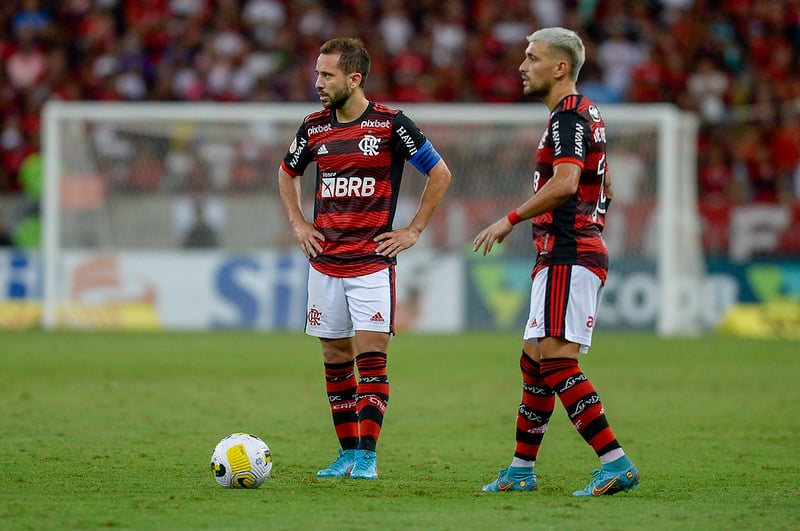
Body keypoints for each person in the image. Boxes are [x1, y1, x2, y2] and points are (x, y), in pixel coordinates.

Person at [473, 27, 639, 497]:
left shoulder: (567, 118)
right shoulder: (586, 112)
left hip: (569, 249)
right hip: (563, 252)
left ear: (560, 67)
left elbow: (566, 182)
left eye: (532, 58)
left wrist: (510, 218)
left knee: (557, 359)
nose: (522, 66)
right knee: (534, 361)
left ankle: (615, 461)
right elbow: (597, 177)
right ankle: (522, 470)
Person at [278, 37, 452, 480]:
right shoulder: (314, 127)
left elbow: (440, 172)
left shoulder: (392, 125)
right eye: (317, 73)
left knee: (372, 357)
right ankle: (347, 453)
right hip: (325, 261)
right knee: (336, 358)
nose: (317, 82)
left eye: (327, 75)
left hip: (372, 262)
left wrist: (413, 230)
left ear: (354, 79)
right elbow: (287, 172)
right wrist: (299, 224)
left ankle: (368, 457)